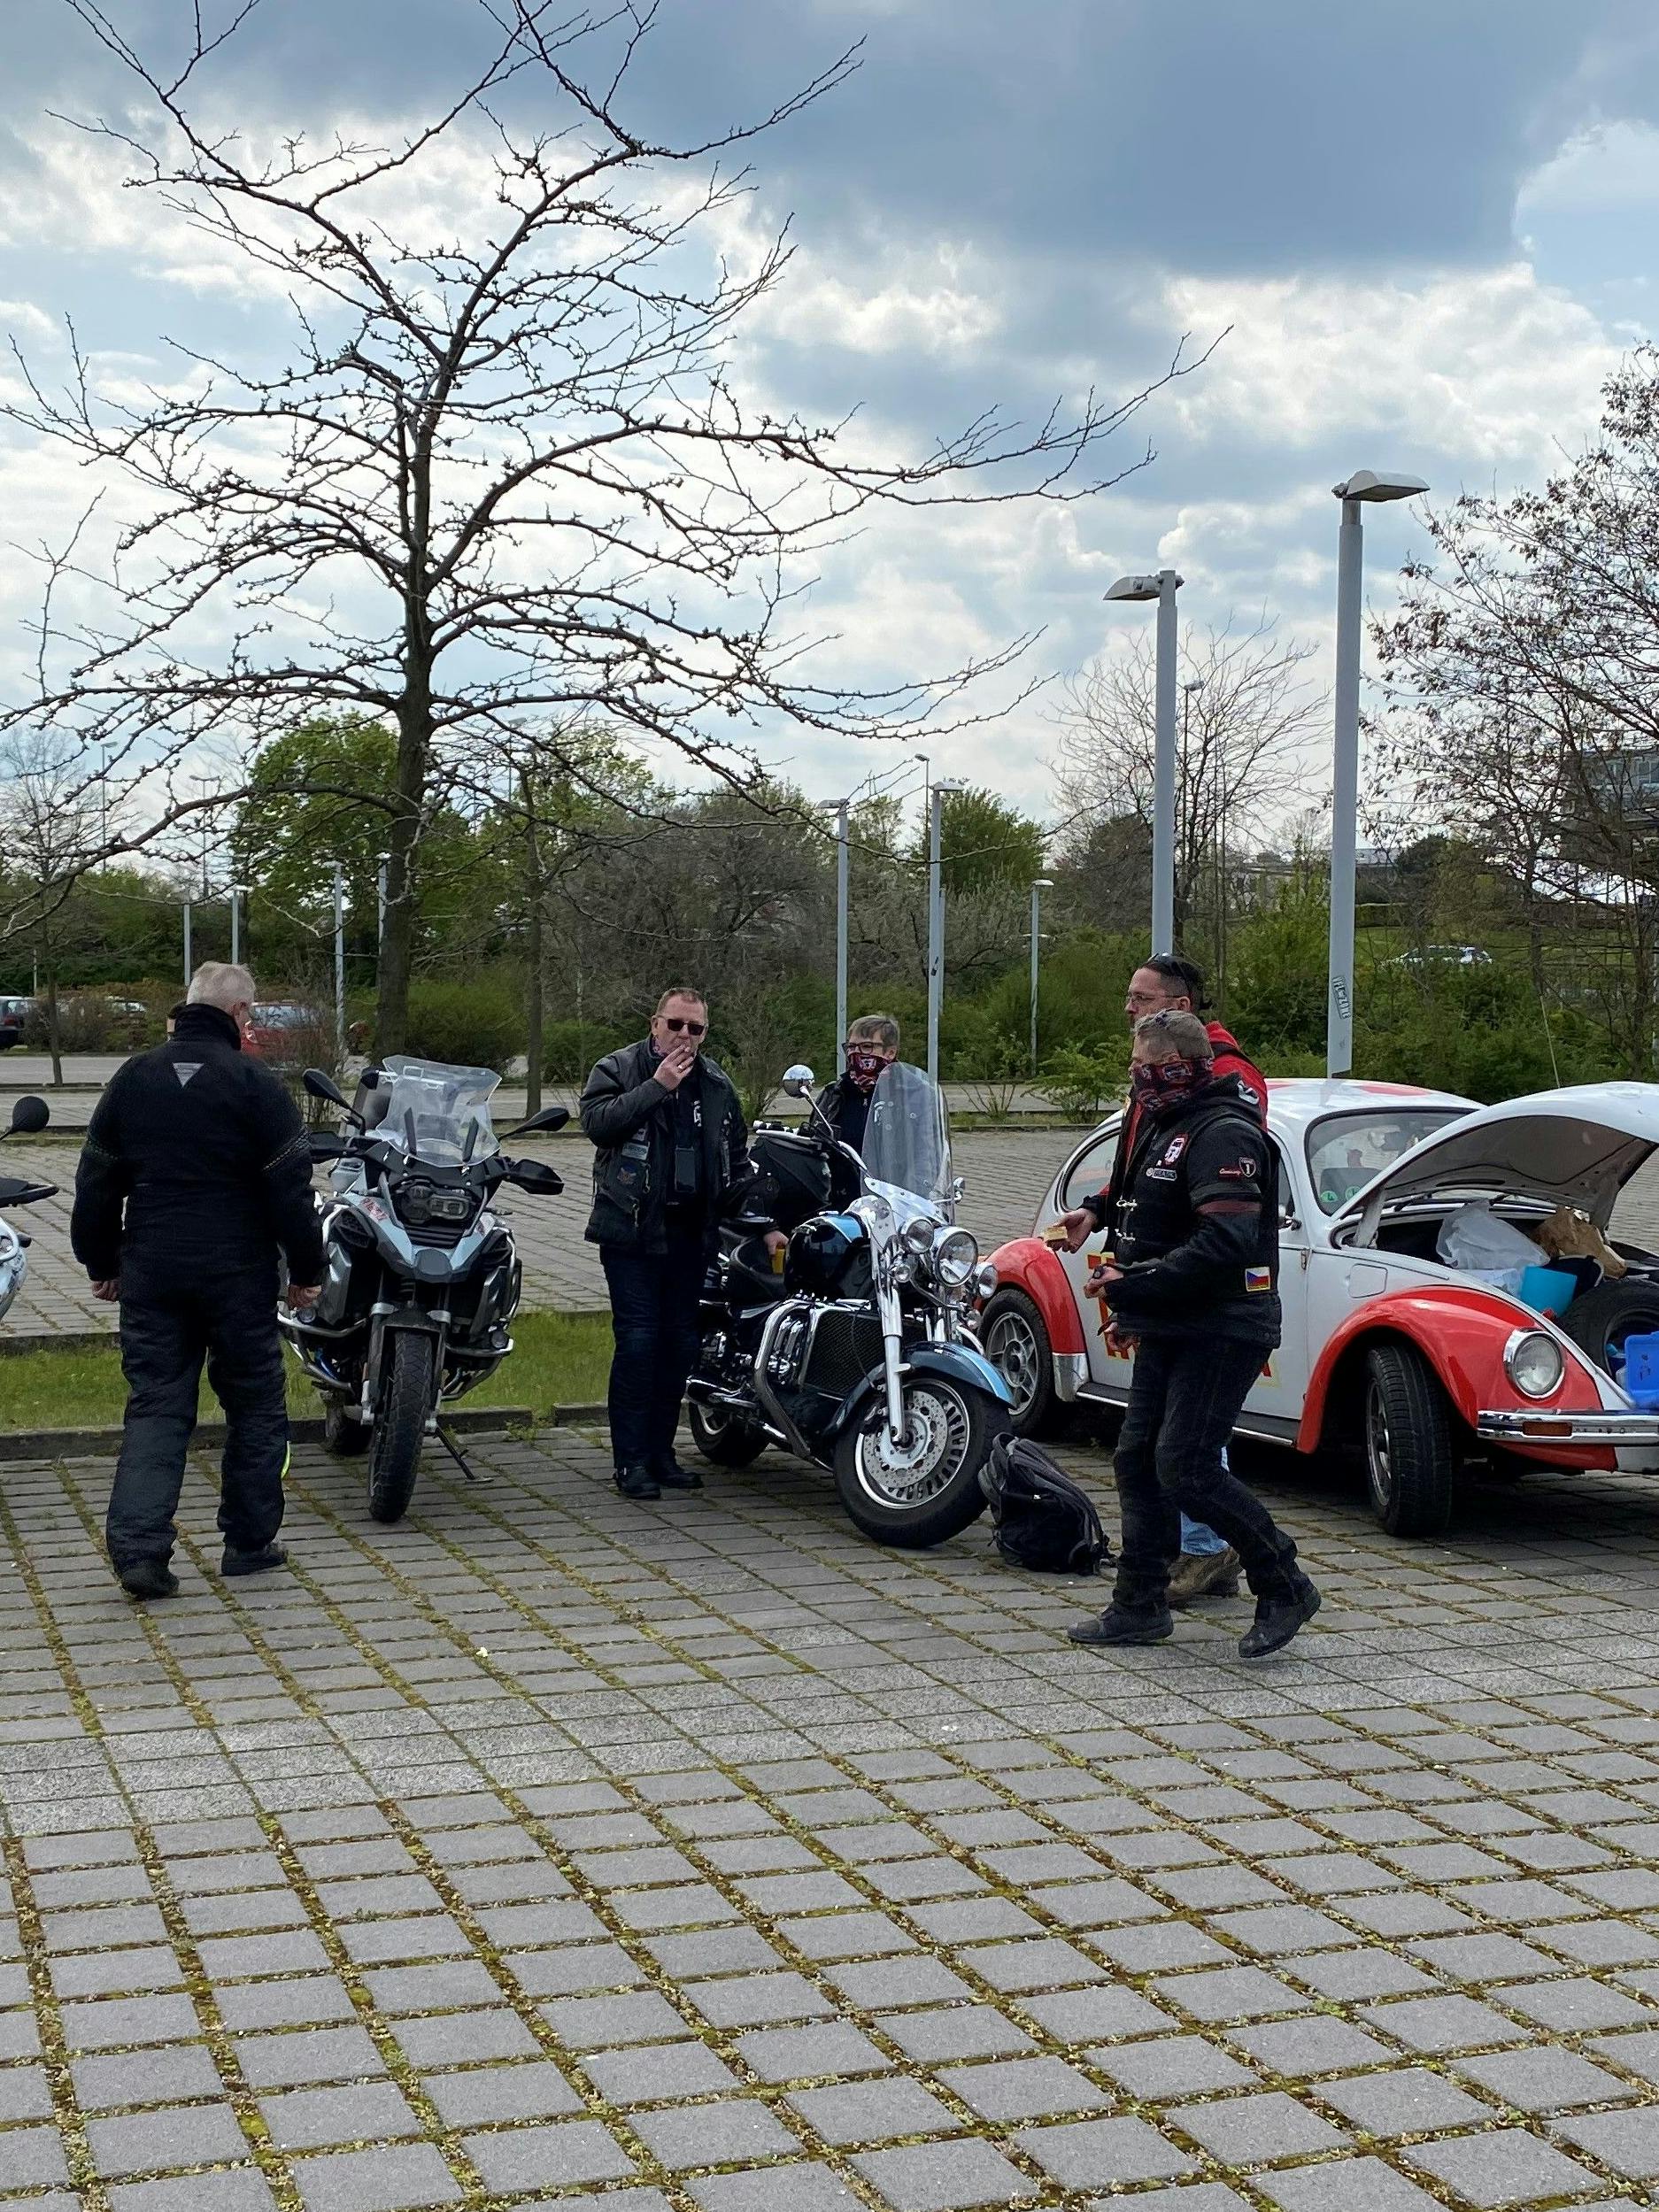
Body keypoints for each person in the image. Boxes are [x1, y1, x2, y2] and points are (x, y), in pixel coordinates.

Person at [1064, 1011, 1319, 1658]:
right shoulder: (1165, 1123)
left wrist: (1134, 1282)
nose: (1135, 1077)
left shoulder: (1224, 1130)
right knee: (1137, 1458)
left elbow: (1228, 1241)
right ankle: (1139, 1604)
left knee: (1187, 1464)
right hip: (1175, 1319)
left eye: (1142, 1065)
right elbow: (1148, 1214)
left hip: (1227, 1323)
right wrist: (1127, 1281)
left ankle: (1283, 1580)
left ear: (1175, 1066)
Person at [70, 962, 323, 1600]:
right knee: (255, 1404)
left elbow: (96, 1178)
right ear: (240, 1016)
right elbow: (291, 1189)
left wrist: (101, 1261)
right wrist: (308, 1272)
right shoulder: (254, 1083)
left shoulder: (135, 1077)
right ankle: (248, 1544)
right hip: (237, 1273)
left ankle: (140, 1552)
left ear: (182, 1012)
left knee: (157, 1405)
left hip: (153, 1269)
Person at [1063, 952, 1267, 1607]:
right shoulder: (1159, 1075)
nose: (1129, 1007)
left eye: (1141, 997)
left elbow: (1216, 1185)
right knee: (1147, 1449)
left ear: (1179, 1005)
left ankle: (1229, 1558)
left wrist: (1153, 1270)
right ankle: (1151, 1584)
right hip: (1158, 1283)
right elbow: (1140, 1159)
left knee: (1189, 1445)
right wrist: (1098, 1209)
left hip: (1198, 1289)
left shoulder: (1222, 1080)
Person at [581, 987, 774, 1501]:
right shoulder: (619, 1068)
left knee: (679, 1346)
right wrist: (657, 1086)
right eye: (676, 1025)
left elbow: (736, 1161)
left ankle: (662, 1454)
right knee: (639, 1343)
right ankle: (630, 1461)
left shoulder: (715, 1083)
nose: (685, 1037)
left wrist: (764, 1220)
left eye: (696, 1029)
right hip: (633, 1231)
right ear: (654, 1024)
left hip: (693, 1235)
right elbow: (597, 1124)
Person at [815, 1014, 900, 1154]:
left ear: (890, 1052)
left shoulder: (911, 1095)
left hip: (891, 1176)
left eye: (866, 1046)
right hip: (838, 1176)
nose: (855, 1052)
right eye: (851, 1046)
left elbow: (926, 1154)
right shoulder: (833, 1094)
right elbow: (814, 1145)